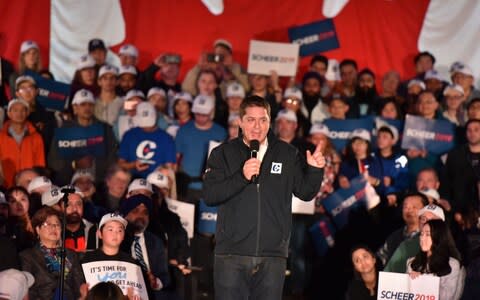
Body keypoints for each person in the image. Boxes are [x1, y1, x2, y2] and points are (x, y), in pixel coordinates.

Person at [203, 95, 325, 300]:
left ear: (270, 122)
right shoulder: (222, 153)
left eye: (263, 120)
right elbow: (210, 195)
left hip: (273, 256)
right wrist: (242, 176)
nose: (257, 126)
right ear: (240, 122)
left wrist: (315, 170)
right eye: (250, 119)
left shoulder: (287, 153)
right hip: (232, 255)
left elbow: (305, 193)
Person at [48, 89, 118, 186]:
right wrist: (74, 164)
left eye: (90, 105)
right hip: (68, 183)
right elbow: (54, 161)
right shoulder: (64, 130)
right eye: (83, 104)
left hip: (99, 184)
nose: (87, 108)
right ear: (75, 108)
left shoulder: (105, 129)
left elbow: (113, 157)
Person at [20, 207, 86, 299]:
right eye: (48, 224)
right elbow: (28, 290)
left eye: (57, 224)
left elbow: (79, 285)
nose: (53, 227)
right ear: (38, 230)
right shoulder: (28, 256)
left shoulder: (71, 254)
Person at [120, 194, 171, 299]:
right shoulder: (118, 240)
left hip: (152, 294)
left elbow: (165, 277)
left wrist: (155, 282)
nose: (141, 216)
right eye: (135, 211)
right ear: (125, 215)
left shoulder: (155, 241)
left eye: (145, 213)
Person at [407, 219, 465, 300]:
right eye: (421, 234)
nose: (422, 238)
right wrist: (408, 281)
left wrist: (423, 279)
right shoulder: (412, 263)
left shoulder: (452, 264)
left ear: (438, 237)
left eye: (427, 235)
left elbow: (447, 297)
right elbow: (406, 293)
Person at [118, 102, 176, 178]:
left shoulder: (166, 138)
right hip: (133, 180)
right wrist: (134, 165)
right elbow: (120, 164)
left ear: (156, 117)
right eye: (144, 122)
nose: (147, 126)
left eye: (149, 122)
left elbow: (170, 167)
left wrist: (160, 171)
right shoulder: (129, 135)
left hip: (157, 182)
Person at [384, 204, 445, 273]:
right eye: (423, 219)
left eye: (432, 220)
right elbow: (389, 273)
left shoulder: (449, 249)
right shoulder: (407, 246)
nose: (426, 223)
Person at [0, 99, 45, 188]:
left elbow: (40, 165)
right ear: (9, 113)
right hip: (6, 185)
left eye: (23, 110)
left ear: (27, 113)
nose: (19, 113)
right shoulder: (1, 137)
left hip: (29, 186)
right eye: (15, 110)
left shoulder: (36, 137)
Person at [376, 192, 428, 267]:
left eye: (414, 207)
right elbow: (379, 259)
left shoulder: (432, 235)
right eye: (405, 207)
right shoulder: (394, 237)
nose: (409, 210)